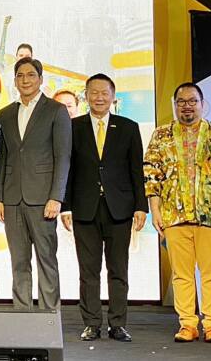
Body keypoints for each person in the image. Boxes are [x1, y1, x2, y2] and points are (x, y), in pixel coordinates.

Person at [144, 82, 211, 343]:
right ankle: (187, 324)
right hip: (174, 215)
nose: (187, 106)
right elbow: (152, 174)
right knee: (182, 275)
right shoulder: (161, 135)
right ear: (175, 105)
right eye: (181, 102)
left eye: (192, 101)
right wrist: (155, 210)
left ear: (202, 103)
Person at [60, 74, 148, 342]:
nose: (99, 97)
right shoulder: (73, 127)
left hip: (119, 209)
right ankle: (92, 323)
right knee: (88, 271)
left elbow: (136, 170)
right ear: (85, 96)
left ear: (113, 96)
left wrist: (141, 206)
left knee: (118, 269)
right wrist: (66, 206)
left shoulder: (128, 127)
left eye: (104, 93)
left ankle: (118, 324)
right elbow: (66, 169)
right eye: (94, 92)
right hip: (84, 208)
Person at [0, 57, 71, 310]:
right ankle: (22, 317)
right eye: (20, 75)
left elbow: (63, 156)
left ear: (40, 79)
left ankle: (48, 317)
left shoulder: (56, 110)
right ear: (15, 80)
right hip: (12, 198)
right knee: (18, 262)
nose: (25, 80)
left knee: (46, 260)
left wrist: (56, 197)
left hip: (43, 199)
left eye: (30, 75)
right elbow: (3, 157)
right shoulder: (6, 113)